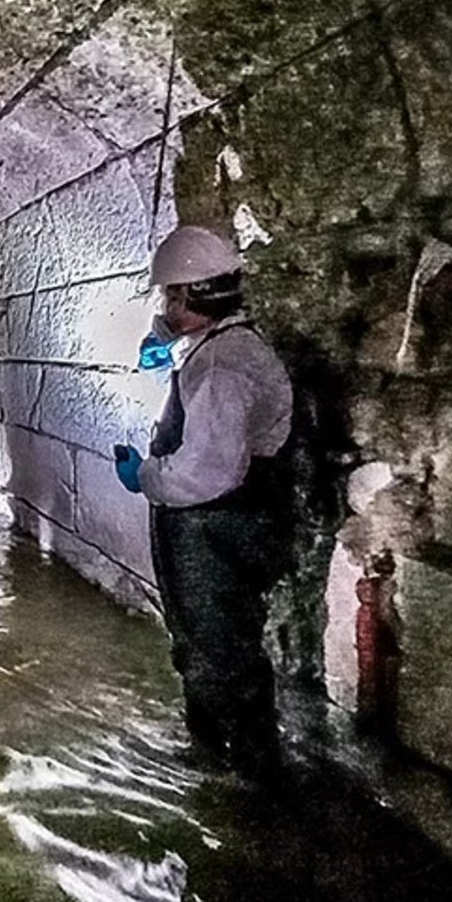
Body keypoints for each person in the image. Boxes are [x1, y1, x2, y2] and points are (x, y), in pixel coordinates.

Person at [113, 226, 293, 773]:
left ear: (198, 296)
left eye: (172, 296)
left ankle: (238, 769)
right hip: (214, 522)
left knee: (216, 645)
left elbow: (205, 473)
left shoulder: (222, 366)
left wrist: (146, 476)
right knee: (203, 637)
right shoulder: (221, 343)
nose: (165, 307)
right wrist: (161, 337)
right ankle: (217, 752)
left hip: (216, 523)